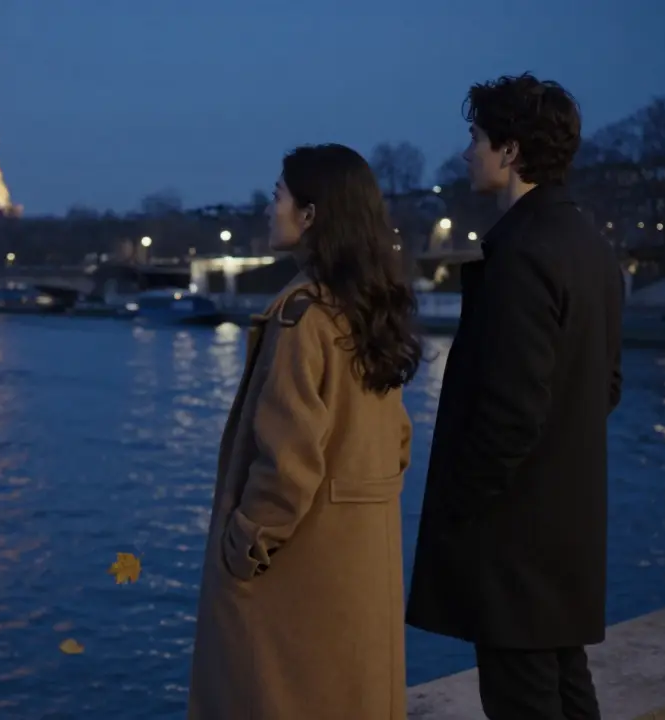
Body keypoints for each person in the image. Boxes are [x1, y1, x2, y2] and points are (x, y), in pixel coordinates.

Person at [405, 74, 625, 720]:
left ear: (511, 151)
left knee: (522, 699)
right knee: (565, 686)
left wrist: (461, 509)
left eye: (476, 138)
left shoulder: (521, 256)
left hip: (515, 540)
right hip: (568, 528)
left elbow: (507, 416)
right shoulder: (592, 248)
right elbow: (604, 385)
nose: (469, 152)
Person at [187, 143, 422, 720]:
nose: (270, 209)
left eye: (278, 197)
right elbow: (399, 443)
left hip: (299, 579)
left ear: (310, 214)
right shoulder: (366, 312)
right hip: (358, 569)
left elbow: (287, 466)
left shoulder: (302, 320)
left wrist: (242, 546)